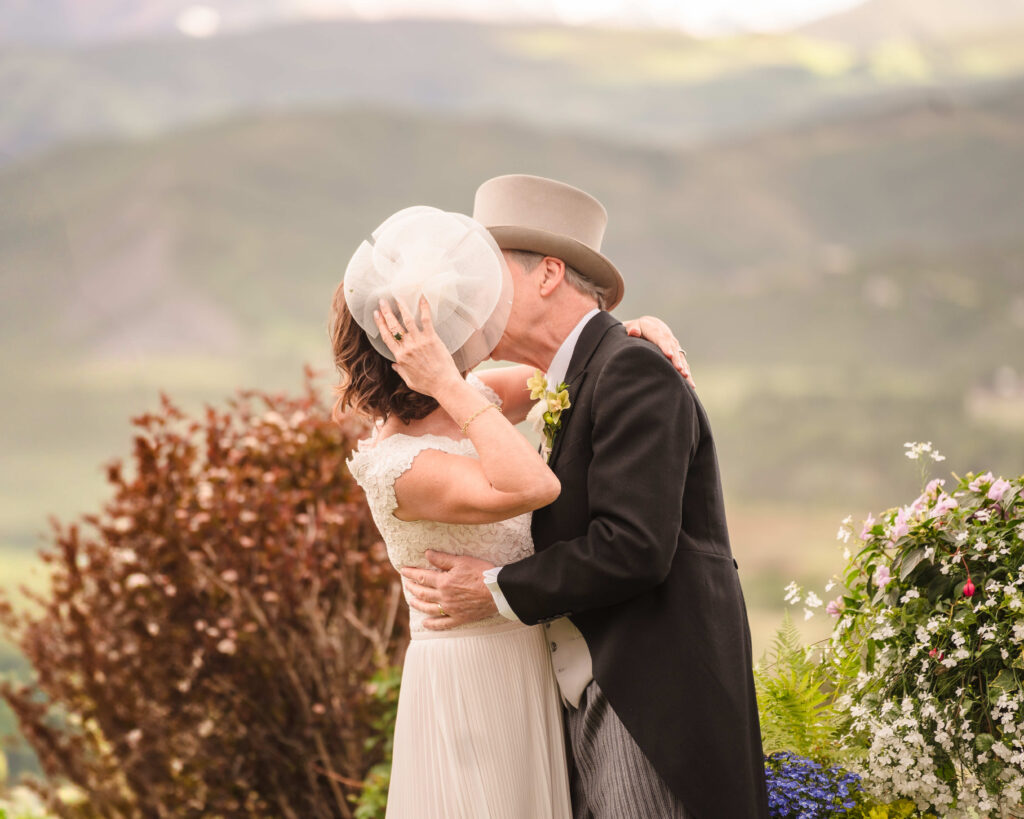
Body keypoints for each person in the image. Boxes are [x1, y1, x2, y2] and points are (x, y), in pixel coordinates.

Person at [400, 174, 771, 819]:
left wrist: (491, 587)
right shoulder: (574, 376)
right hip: (581, 698)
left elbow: (635, 547)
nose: (475, 298)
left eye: (489, 277)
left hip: (651, 702)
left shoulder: (630, 368)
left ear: (548, 275)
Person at [331, 204, 689, 819]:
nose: (468, 321)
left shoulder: (475, 396)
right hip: (472, 675)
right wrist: (447, 384)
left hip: (525, 658)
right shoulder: (401, 465)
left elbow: (574, 365)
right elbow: (536, 487)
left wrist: (637, 328)